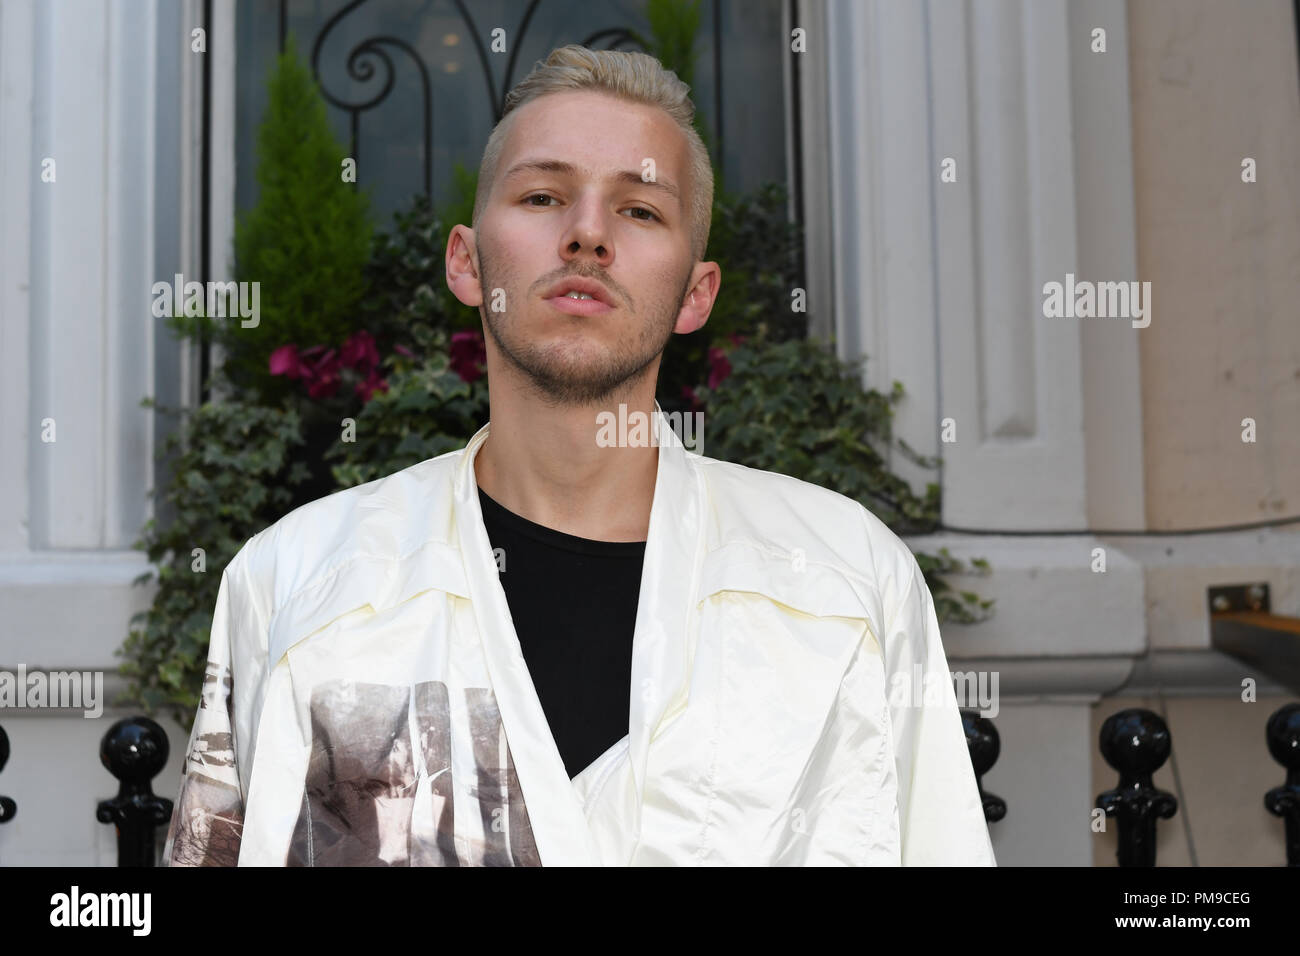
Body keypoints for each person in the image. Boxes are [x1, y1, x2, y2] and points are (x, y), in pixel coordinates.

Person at [163, 44, 996, 867]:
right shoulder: (295, 583)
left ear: (695, 294)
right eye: (542, 195)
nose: (587, 233)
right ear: (466, 261)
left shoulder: (847, 587)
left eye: (639, 209)